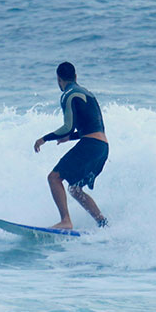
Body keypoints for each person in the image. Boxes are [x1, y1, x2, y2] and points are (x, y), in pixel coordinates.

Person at [34, 62, 109, 230]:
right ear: (76, 77)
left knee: (54, 178)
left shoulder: (68, 94)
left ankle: (66, 221)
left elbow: (68, 126)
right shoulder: (87, 93)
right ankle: (102, 223)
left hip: (90, 145)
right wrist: (71, 137)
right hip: (102, 147)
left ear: (59, 79)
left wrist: (45, 139)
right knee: (74, 188)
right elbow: (94, 126)